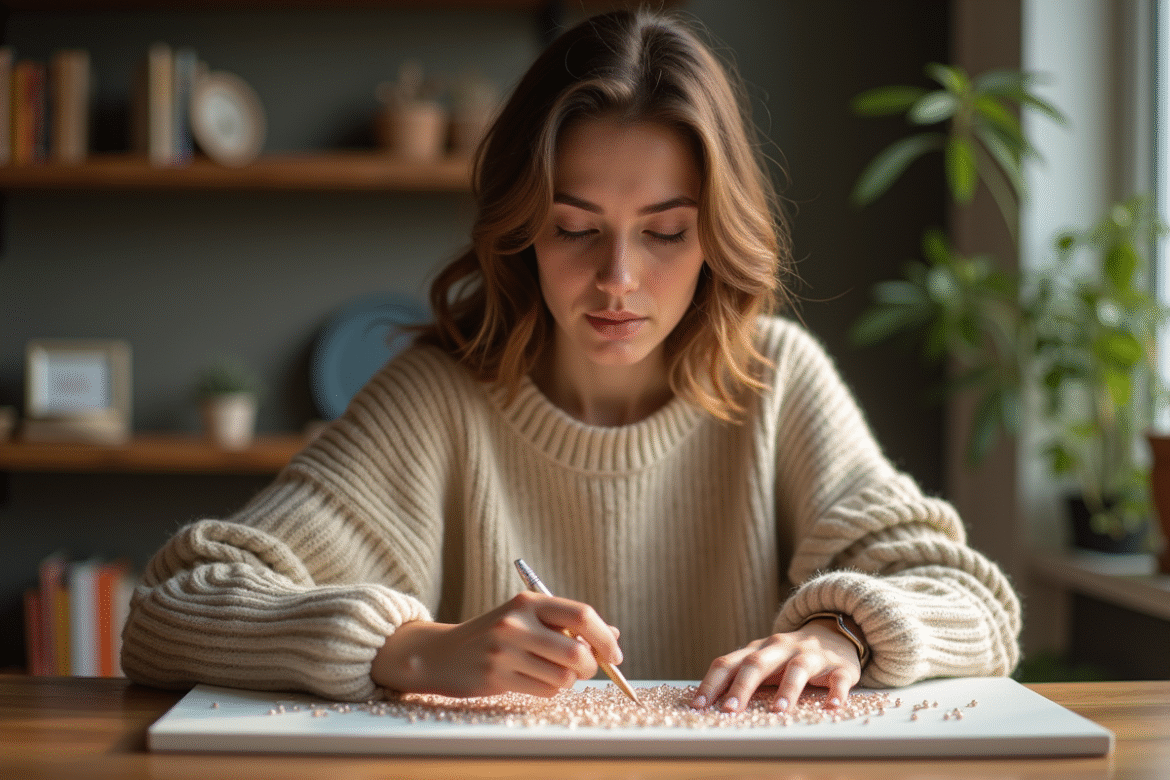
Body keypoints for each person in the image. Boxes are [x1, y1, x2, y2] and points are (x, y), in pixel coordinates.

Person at [122, 9, 1020, 714]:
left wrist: (842, 635)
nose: (618, 281)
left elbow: (974, 603)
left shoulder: (777, 379)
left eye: (665, 232)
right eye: (574, 228)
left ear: (715, 235)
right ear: (520, 233)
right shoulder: (439, 400)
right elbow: (171, 611)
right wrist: (416, 649)